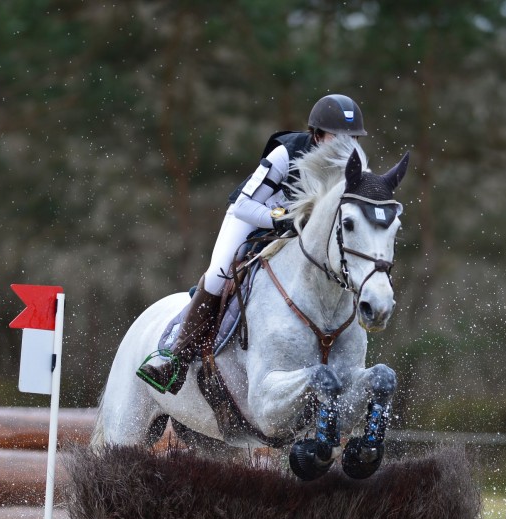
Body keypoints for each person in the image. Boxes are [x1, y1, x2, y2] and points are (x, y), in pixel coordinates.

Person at [137, 94, 369, 395]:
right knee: (220, 272)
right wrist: (279, 218)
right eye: (337, 136)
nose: (345, 144)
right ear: (317, 134)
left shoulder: (356, 165)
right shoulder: (285, 154)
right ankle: (176, 360)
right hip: (254, 217)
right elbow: (245, 204)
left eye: (352, 137)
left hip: (303, 231)